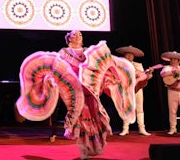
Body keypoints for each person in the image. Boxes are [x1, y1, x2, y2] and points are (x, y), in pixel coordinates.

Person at [16, 30, 136, 160]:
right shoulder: (64, 52)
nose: (78, 36)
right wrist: (51, 79)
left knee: (95, 118)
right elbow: (57, 68)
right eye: (75, 34)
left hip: (89, 88)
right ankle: (84, 150)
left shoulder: (88, 52)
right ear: (69, 38)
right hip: (73, 90)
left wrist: (112, 76)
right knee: (81, 119)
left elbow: (100, 65)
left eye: (80, 34)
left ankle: (91, 148)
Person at [115, 45, 152, 136]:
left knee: (139, 108)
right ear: (124, 56)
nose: (129, 57)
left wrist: (149, 74)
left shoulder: (138, 65)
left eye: (131, 55)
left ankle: (142, 128)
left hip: (138, 89)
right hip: (126, 89)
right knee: (127, 108)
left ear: (133, 56)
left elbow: (144, 76)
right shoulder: (120, 65)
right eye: (127, 55)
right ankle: (125, 129)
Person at [160, 51, 180, 135]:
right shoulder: (167, 67)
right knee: (172, 111)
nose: (173, 61)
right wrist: (173, 72)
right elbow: (162, 74)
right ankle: (172, 128)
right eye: (172, 59)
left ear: (178, 61)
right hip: (172, 91)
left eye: (175, 60)